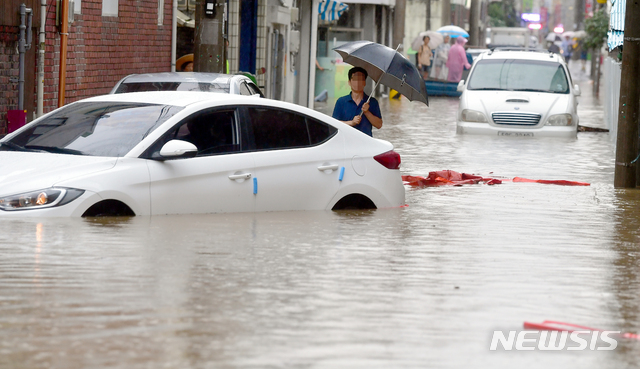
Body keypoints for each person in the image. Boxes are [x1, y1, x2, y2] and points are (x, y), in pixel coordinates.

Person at [332, 67, 383, 136]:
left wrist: (367, 112)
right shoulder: (341, 102)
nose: (358, 82)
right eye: (355, 79)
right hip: (346, 142)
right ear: (349, 82)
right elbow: (333, 124)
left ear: (364, 82)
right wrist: (351, 122)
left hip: (366, 143)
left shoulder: (372, 102)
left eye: (361, 79)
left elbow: (379, 125)